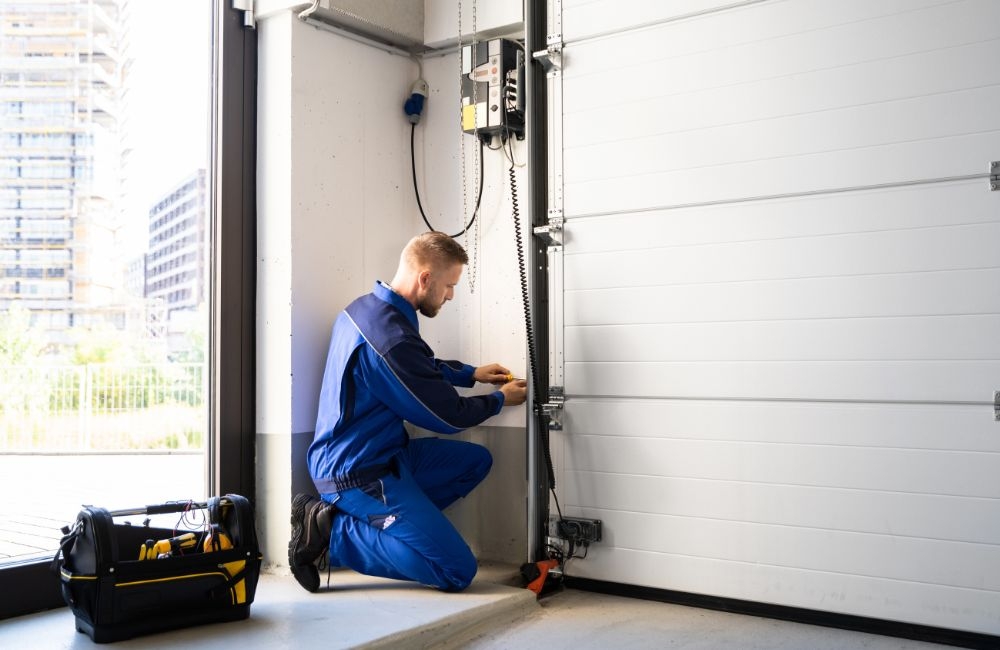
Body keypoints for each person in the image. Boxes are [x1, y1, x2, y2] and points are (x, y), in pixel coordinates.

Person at [289, 231, 528, 593]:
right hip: (356, 474)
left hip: (387, 455)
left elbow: (418, 366)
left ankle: (395, 529)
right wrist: (498, 400)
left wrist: (470, 374)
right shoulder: (389, 340)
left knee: (475, 462)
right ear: (425, 278)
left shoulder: (367, 309)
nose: (450, 295)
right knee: (457, 570)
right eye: (449, 285)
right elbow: (448, 417)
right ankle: (332, 532)